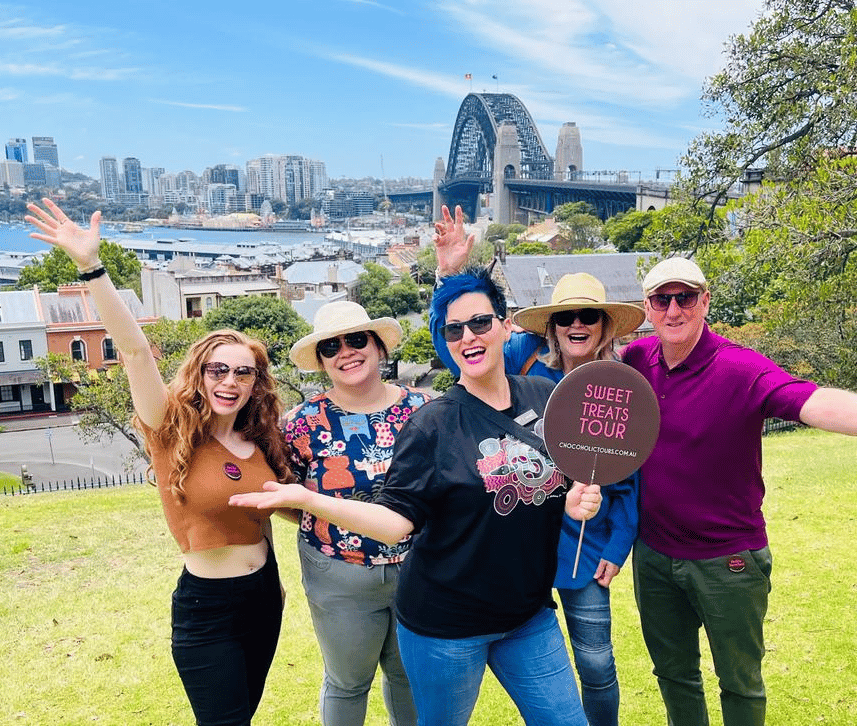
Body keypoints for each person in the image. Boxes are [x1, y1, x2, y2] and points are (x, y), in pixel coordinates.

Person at [230, 266, 603, 726]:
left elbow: (551, 483)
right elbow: (396, 521)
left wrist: (570, 500)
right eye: (453, 329)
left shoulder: (545, 397)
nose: (468, 335)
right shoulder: (431, 423)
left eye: (481, 322)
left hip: (528, 614)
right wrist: (308, 501)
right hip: (447, 625)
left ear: (506, 326)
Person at [621, 255, 857, 726]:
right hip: (655, 555)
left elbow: (811, 400)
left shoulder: (741, 368)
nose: (674, 310)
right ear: (647, 307)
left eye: (685, 297)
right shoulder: (638, 361)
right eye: (663, 299)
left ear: (705, 301)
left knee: (739, 684)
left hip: (728, 562)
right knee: (674, 675)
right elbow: (571, 357)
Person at [26, 198, 295, 726]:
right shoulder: (169, 430)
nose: (230, 382)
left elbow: (278, 507)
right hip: (208, 609)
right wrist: (91, 267)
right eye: (218, 370)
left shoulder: (260, 439)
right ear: (200, 373)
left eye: (243, 374)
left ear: (255, 384)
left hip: (264, 596)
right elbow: (134, 351)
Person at [432, 204, 643, 726]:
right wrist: (451, 273)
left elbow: (631, 479)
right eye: (565, 316)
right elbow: (455, 344)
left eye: (587, 316)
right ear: (550, 325)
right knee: (532, 658)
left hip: (584, 548)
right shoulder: (520, 358)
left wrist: (617, 548)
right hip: (517, 542)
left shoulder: (616, 384)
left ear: (604, 325)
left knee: (595, 660)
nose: (576, 324)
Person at [284, 301, 430, 726]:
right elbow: (288, 495)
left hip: (419, 568)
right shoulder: (302, 423)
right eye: (331, 346)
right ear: (322, 361)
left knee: (409, 677)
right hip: (338, 574)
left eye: (356, 340)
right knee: (348, 682)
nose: (345, 351)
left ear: (378, 346)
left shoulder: (424, 409)